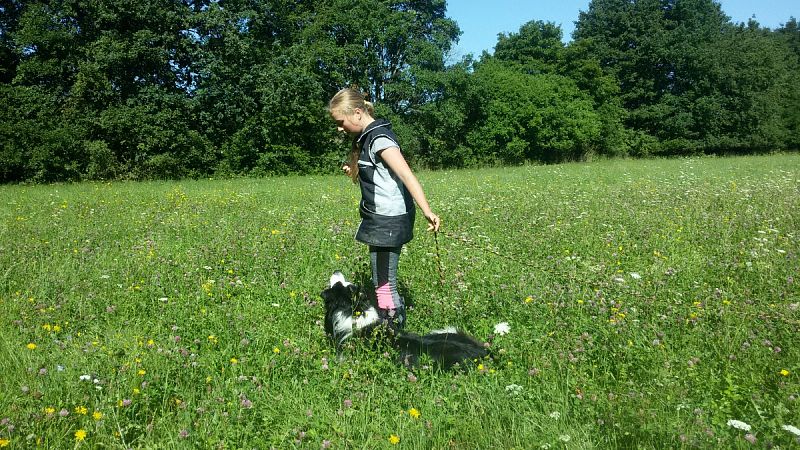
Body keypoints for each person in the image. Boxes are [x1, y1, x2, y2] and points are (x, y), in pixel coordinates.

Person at [328, 87, 441, 331]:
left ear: (357, 113)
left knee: (384, 284)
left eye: (340, 122)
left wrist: (427, 211)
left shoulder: (380, 139)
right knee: (382, 279)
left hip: (387, 221)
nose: (339, 128)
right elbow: (381, 178)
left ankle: (394, 334)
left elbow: (406, 175)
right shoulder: (367, 138)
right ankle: (390, 330)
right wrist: (355, 172)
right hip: (379, 219)